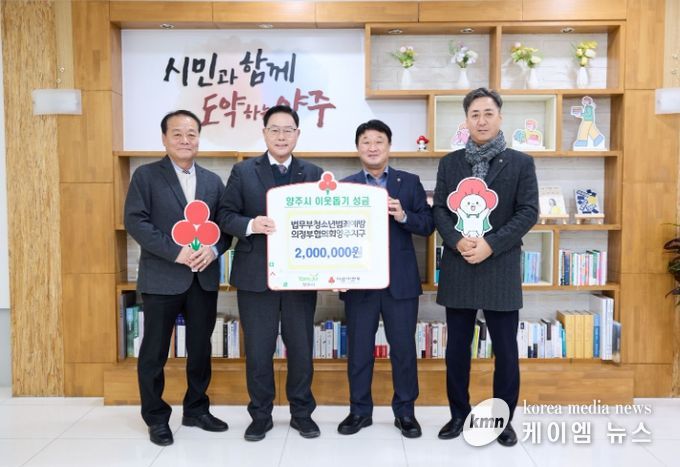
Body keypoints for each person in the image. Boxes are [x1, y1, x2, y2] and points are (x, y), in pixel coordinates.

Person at [433, 88, 538, 447]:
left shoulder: (521, 163)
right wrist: (456, 240)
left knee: (505, 351)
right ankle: (458, 415)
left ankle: (501, 420)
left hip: (500, 265)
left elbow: (528, 212)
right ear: (466, 120)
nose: (481, 120)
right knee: (456, 350)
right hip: (460, 263)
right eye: (474, 114)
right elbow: (440, 210)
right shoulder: (450, 163)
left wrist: (491, 244)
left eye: (488, 113)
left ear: (500, 117)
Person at [124, 109, 232, 446]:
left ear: (199, 138)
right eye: (177, 134)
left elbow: (225, 227)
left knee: (200, 349)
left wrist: (214, 250)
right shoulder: (146, 176)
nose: (185, 140)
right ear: (164, 138)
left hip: (203, 278)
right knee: (154, 351)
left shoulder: (213, 181)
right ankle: (156, 417)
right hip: (162, 277)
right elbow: (136, 222)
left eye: (191, 134)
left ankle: (196, 409)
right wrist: (176, 252)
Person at [217, 105, 324, 441]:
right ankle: (260, 415)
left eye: (288, 130)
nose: (281, 136)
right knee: (259, 351)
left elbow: (326, 224)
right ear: (264, 133)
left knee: (301, 349)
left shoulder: (314, 173)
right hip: (255, 276)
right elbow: (225, 216)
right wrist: (251, 224)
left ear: (297, 135)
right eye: (274, 130)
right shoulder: (243, 171)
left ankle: (302, 414)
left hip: (300, 276)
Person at [337, 120, 434, 438]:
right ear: (358, 148)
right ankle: (359, 411)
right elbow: (335, 234)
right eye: (366, 141)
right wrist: (336, 272)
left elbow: (427, 224)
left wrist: (403, 215)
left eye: (379, 141)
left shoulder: (409, 182)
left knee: (404, 349)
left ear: (389, 146)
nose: (372, 147)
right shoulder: (346, 186)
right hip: (359, 282)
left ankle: (405, 413)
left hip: (400, 282)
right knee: (359, 350)